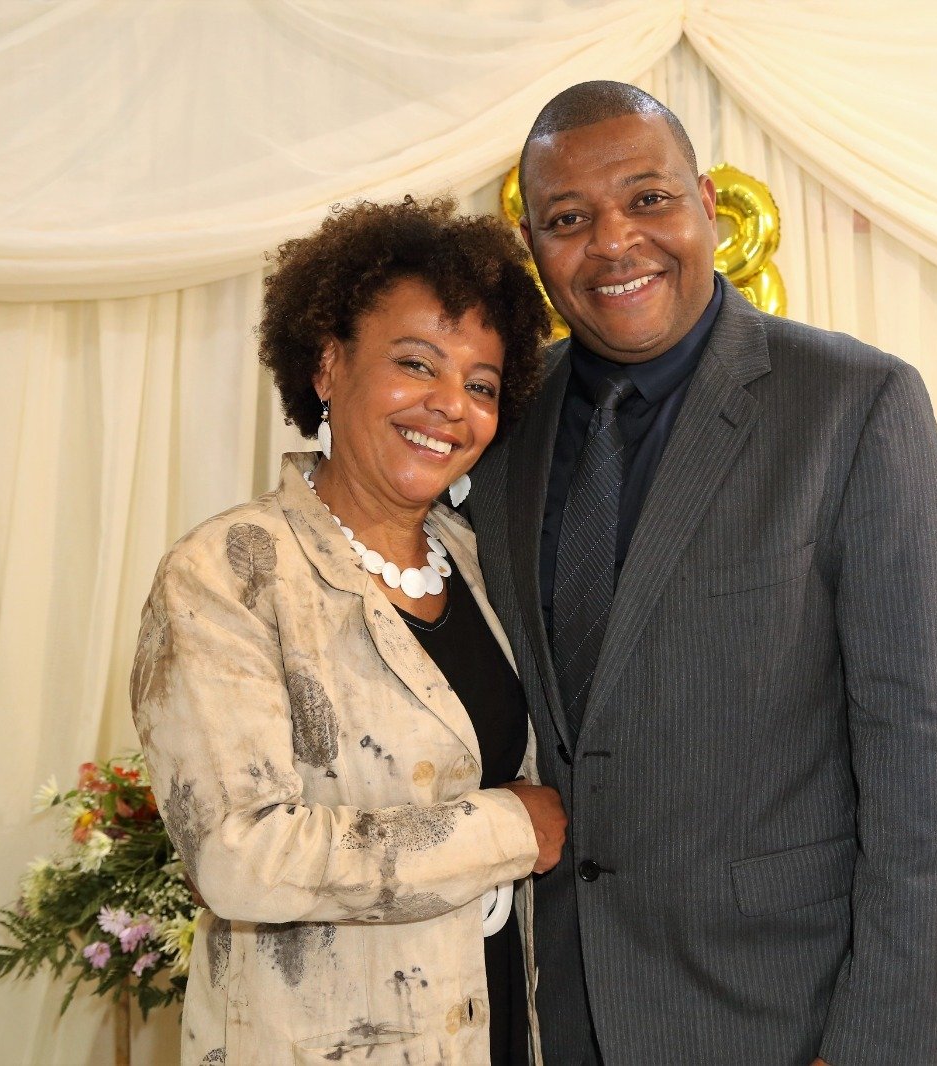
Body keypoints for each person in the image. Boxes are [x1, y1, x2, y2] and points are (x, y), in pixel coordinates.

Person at [465, 83, 937, 1065]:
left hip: (777, 1016)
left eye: (647, 199)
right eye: (568, 219)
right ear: (533, 245)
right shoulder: (499, 426)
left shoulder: (854, 405)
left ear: (706, 204)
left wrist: (874, 1045)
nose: (614, 242)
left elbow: (921, 757)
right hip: (551, 1007)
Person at [130, 196, 567, 1065]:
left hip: (494, 1030)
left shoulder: (482, 563)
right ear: (328, 365)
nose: (450, 405)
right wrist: (507, 830)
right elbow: (240, 856)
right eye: (416, 364)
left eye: (481, 385)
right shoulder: (228, 572)